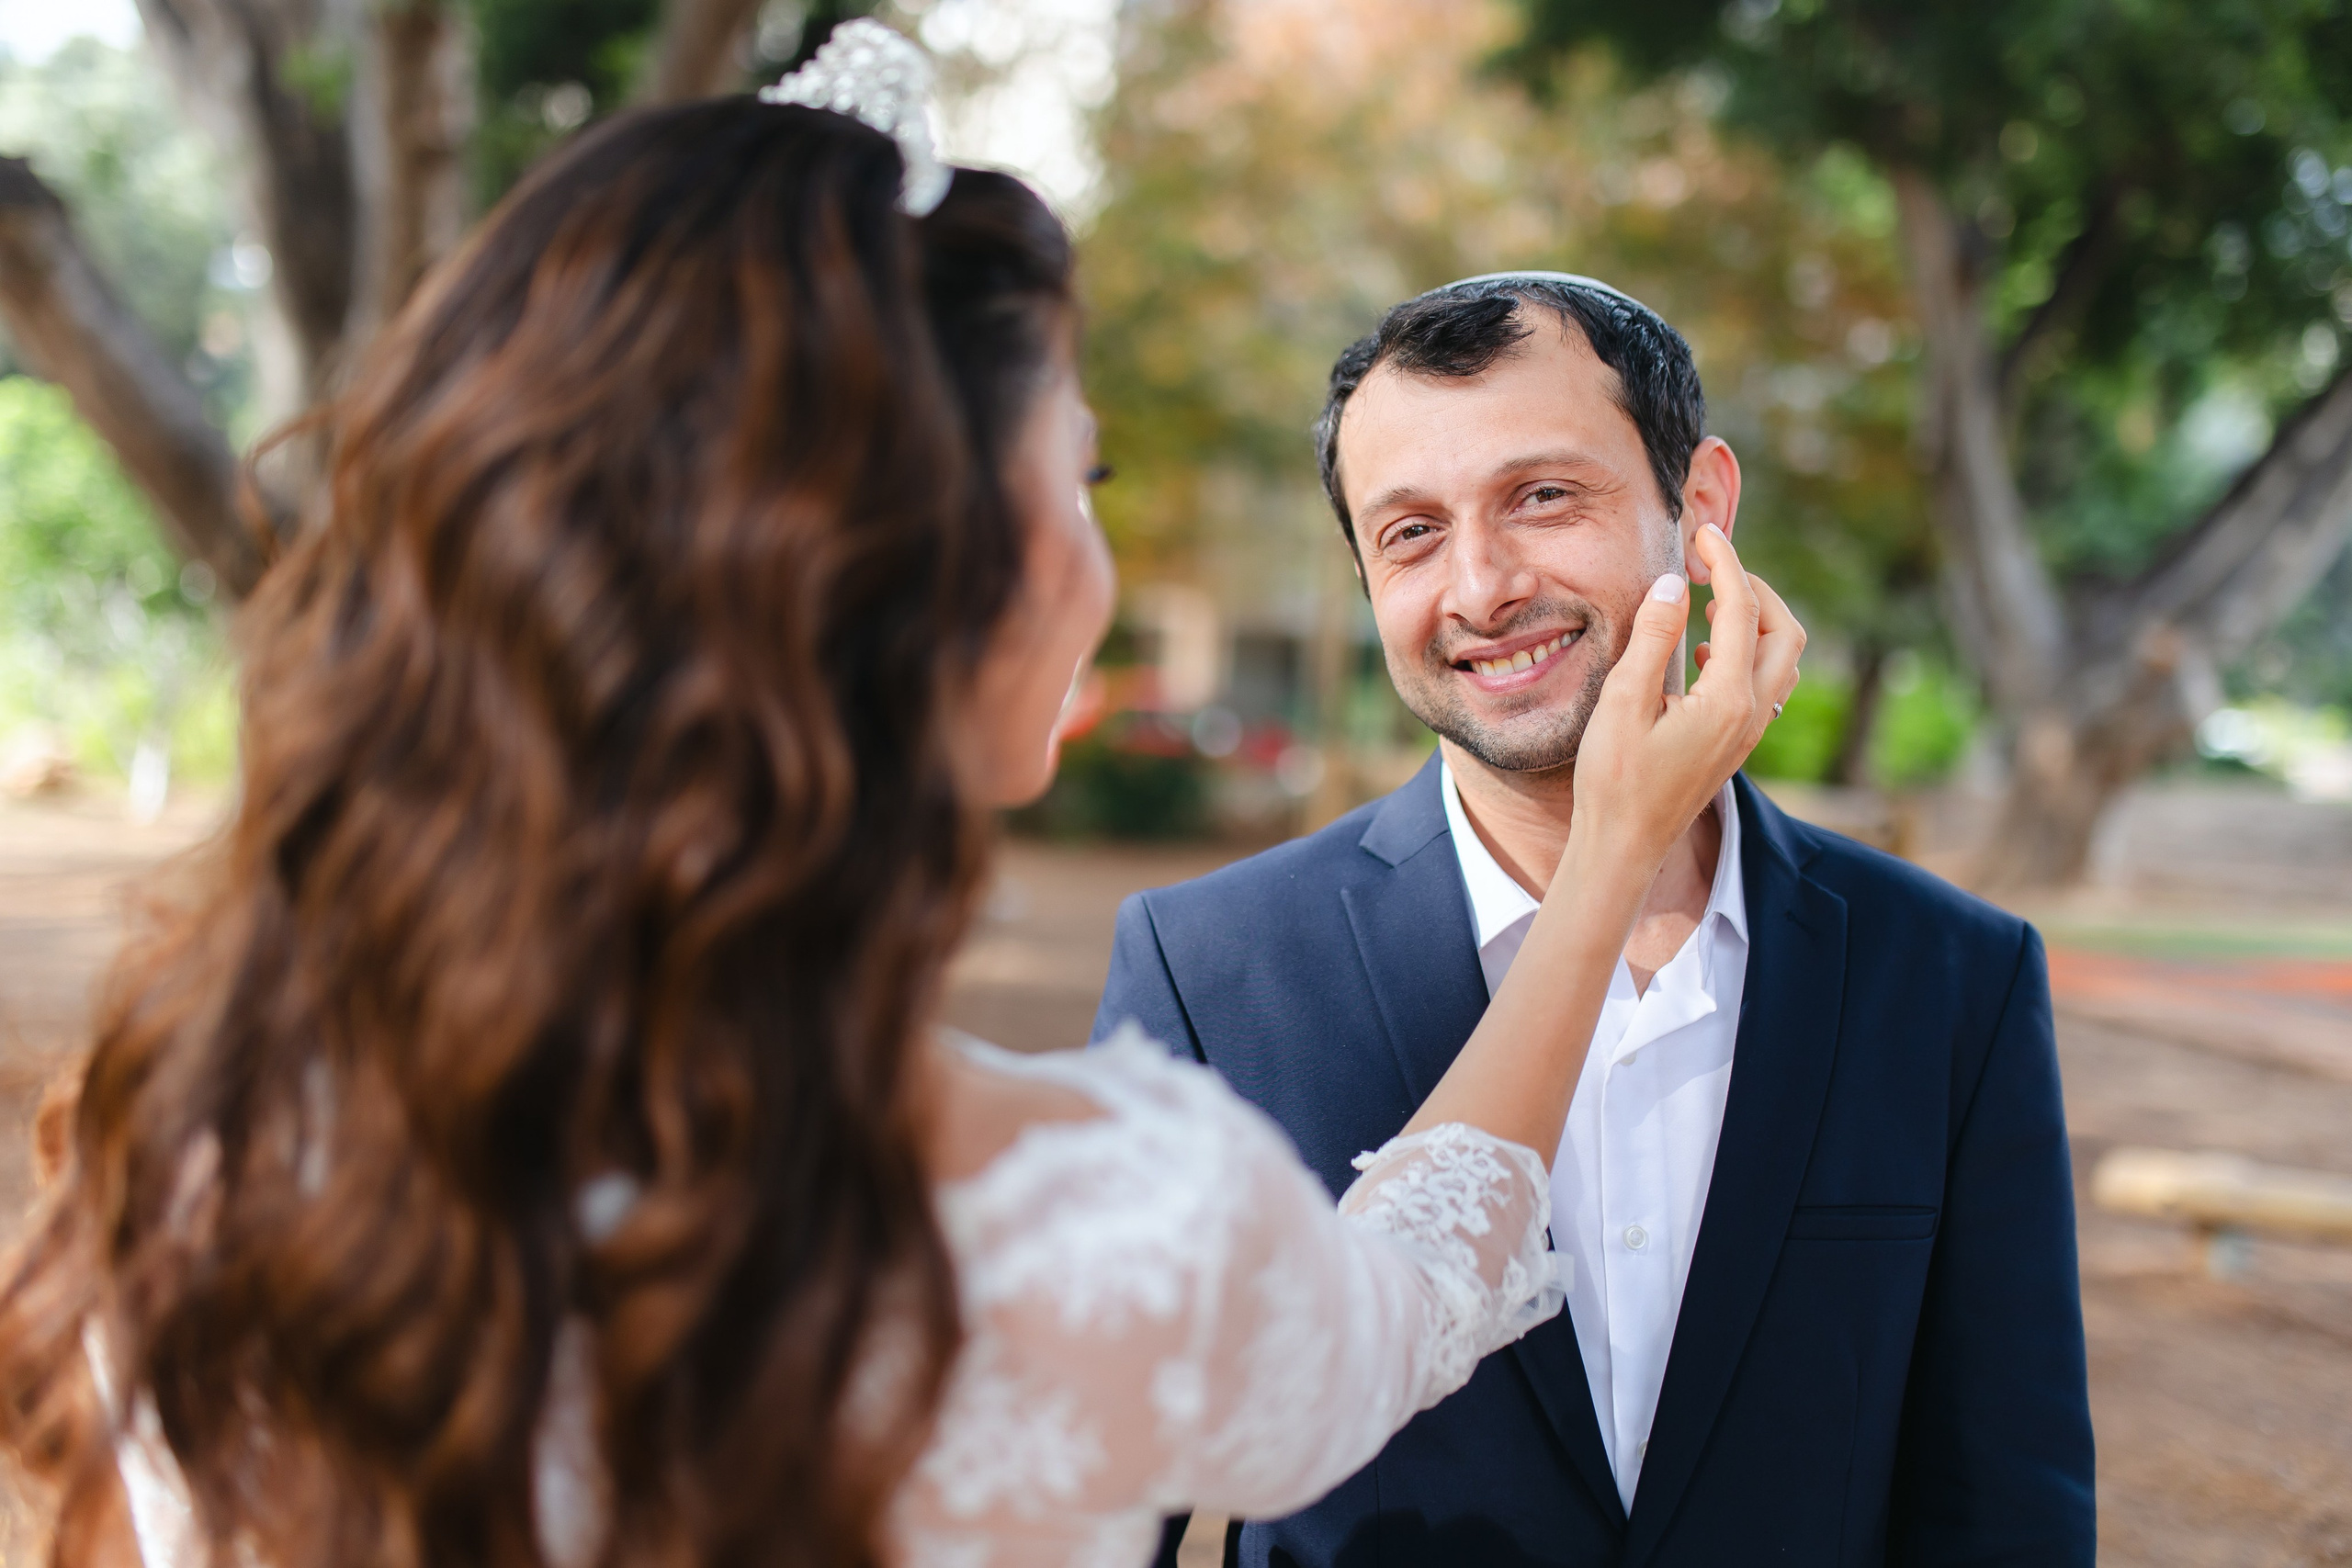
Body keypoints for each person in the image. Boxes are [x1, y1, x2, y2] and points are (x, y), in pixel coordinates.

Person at [0, 27, 1802, 1568]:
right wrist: (1617, 858)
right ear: (953, 571)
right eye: (1075, 476)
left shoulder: (214, 1140)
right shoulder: (1087, 1212)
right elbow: (1386, 1296)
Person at [1099, 273, 2097, 1568]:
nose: (1481, 586)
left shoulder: (1955, 975)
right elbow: (1104, 1513)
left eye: (1542, 497)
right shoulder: (1205, 974)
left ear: (1704, 512)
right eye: (1408, 534)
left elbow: (2006, 1514)